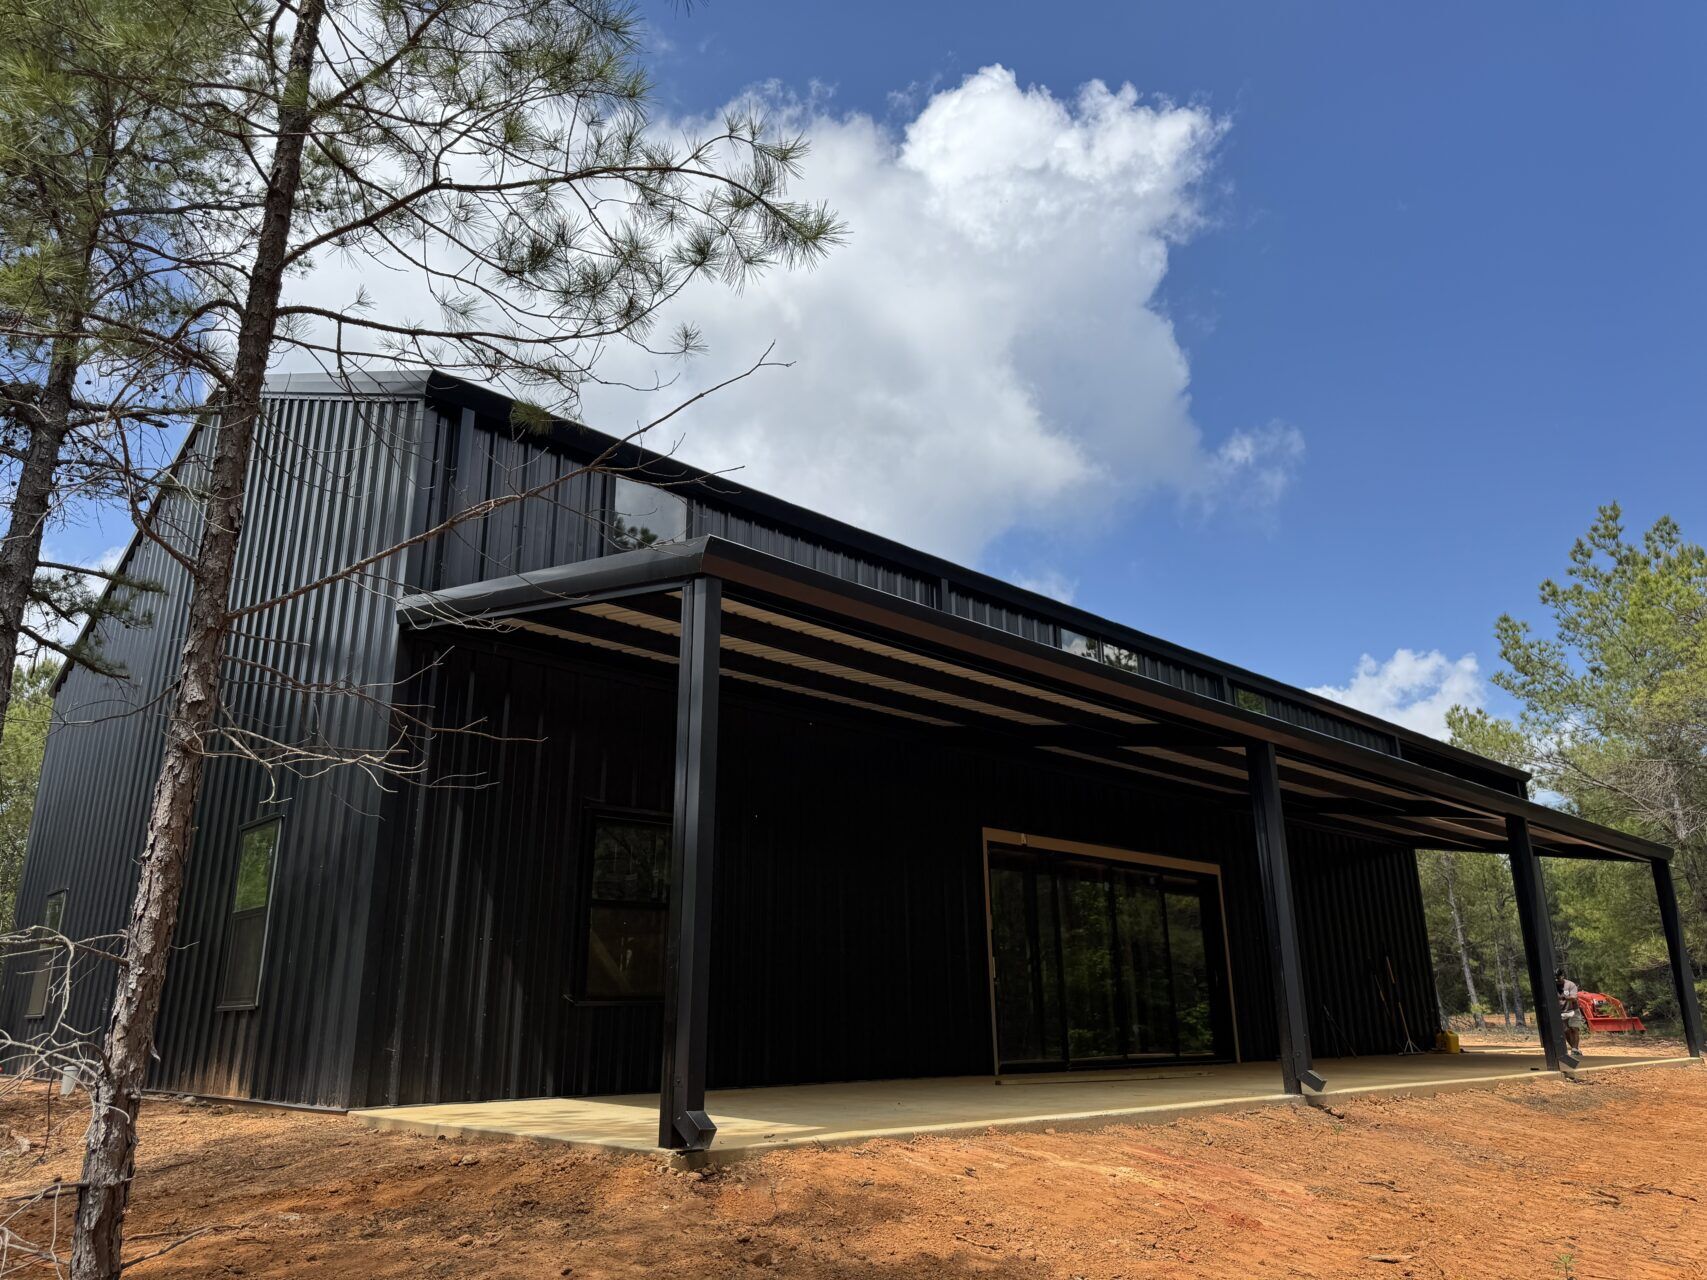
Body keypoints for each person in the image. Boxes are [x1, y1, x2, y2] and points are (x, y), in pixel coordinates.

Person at [1556, 966, 1583, 1054]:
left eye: (1558, 979)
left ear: (1562, 976)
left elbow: (1574, 998)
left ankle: (1574, 1049)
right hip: (1561, 1011)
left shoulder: (1570, 985)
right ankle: (1575, 1049)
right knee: (1566, 1031)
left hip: (1572, 1010)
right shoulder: (1553, 986)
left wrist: (1564, 997)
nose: (1557, 981)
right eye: (1555, 979)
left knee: (1574, 1028)